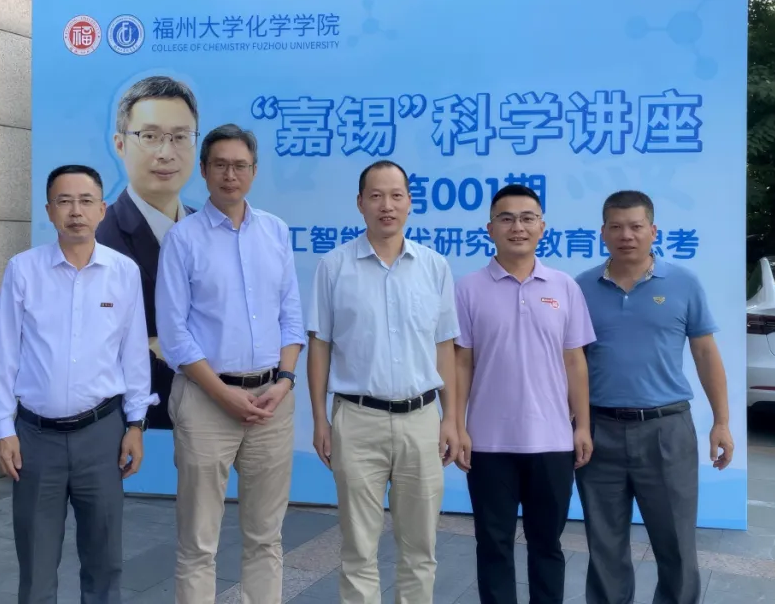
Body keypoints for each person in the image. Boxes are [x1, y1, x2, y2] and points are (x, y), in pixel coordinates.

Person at [0, 164, 156, 604]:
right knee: (36, 563)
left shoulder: (123, 271)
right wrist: (3, 428)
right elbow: (6, 354)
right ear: (49, 210)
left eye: (85, 201)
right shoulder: (24, 270)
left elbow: (134, 355)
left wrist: (136, 424)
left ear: (102, 209)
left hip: (102, 435)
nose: (75, 211)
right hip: (35, 437)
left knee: (104, 560)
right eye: (64, 201)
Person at [155, 123, 305, 603]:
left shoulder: (275, 231)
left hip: (271, 403)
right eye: (220, 165)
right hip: (206, 401)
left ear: (254, 172)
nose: (230, 174)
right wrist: (224, 394)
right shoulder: (182, 238)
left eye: (240, 165)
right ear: (203, 170)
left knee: (266, 537)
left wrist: (284, 381)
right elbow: (174, 334)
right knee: (198, 541)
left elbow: (292, 318)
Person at [307, 159, 460, 604]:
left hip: (421, 420)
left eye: (396, 196)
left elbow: (444, 347)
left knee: (420, 549)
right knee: (358, 549)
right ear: (360, 203)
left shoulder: (434, 266)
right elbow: (320, 346)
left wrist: (451, 418)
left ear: (410, 202)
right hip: (357, 420)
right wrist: (319, 419)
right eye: (376, 196)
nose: (386, 206)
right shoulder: (334, 266)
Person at [574, 190, 734, 604]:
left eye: (636, 226)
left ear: (653, 231)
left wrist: (721, 422)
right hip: (599, 430)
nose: (626, 235)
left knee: (676, 543)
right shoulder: (581, 287)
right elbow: (571, 362)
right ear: (603, 232)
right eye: (616, 227)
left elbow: (705, 353)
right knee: (604, 546)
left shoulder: (684, 283)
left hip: (666, 430)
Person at [452, 184, 595, 604]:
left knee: (547, 544)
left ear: (542, 227)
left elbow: (575, 361)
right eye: (507, 218)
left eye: (527, 218)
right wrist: (458, 426)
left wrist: (582, 426)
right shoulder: (467, 289)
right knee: (493, 544)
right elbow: (461, 363)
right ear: (490, 228)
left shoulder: (564, 286)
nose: (518, 227)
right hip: (488, 443)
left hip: (552, 441)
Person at [97, 75, 201, 431]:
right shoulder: (100, 237)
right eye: (150, 136)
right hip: (139, 422)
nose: (166, 152)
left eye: (180, 137)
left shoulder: (207, 229)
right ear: (120, 144)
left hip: (213, 416)